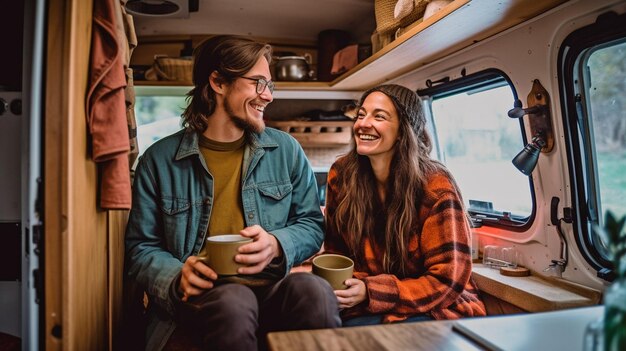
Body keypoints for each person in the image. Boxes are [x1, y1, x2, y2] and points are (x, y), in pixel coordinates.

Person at [125, 35, 341, 351]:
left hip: (270, 290)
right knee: (233, 299)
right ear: (218, 82)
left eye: (270, 86)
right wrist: (176, 276)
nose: (267, 96)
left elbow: (310, 224)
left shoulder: (286, 150)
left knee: (314, 290)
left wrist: (277, 244)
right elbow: (141, 247)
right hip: (201, 300)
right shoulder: (158, 160)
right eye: (258, 83)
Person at [324, 84, 486, 326]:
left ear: (403, 131)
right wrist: (346, 288)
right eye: (361, 114)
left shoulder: (435, 186)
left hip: (433, 306)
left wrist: (372, 291)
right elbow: (337, 255)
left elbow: (446, 282)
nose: (363, 124)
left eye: (379, 116)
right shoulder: (342, 175)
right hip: (361, 303)